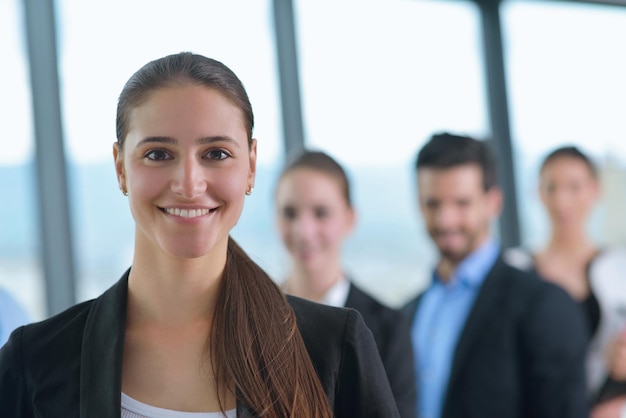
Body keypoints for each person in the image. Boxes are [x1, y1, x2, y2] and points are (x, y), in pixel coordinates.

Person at [0, 52, 400, 417]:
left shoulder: (332, 349)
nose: (189, 185)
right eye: (158, 154)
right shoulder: (34, 361)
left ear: (251, 167)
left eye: (216, 154)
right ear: (121, 168)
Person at [402, 132, 590, 418]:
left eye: (461, 203)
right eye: (433, 204)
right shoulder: (406, 313)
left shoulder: (543, 304)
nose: (445, 220)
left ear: (493, 202)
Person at [274, 149, 417, 418]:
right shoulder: (253, 317)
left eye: (321, 213)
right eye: (290, 213)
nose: (303, 231)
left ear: (350, 218)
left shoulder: (388, 328)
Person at [503, 145, 626, 417]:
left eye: (574, 187)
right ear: (537, 193)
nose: (562, 201)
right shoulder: (514, 269)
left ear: (595, 190)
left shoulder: (620, 269)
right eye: (551, 188)